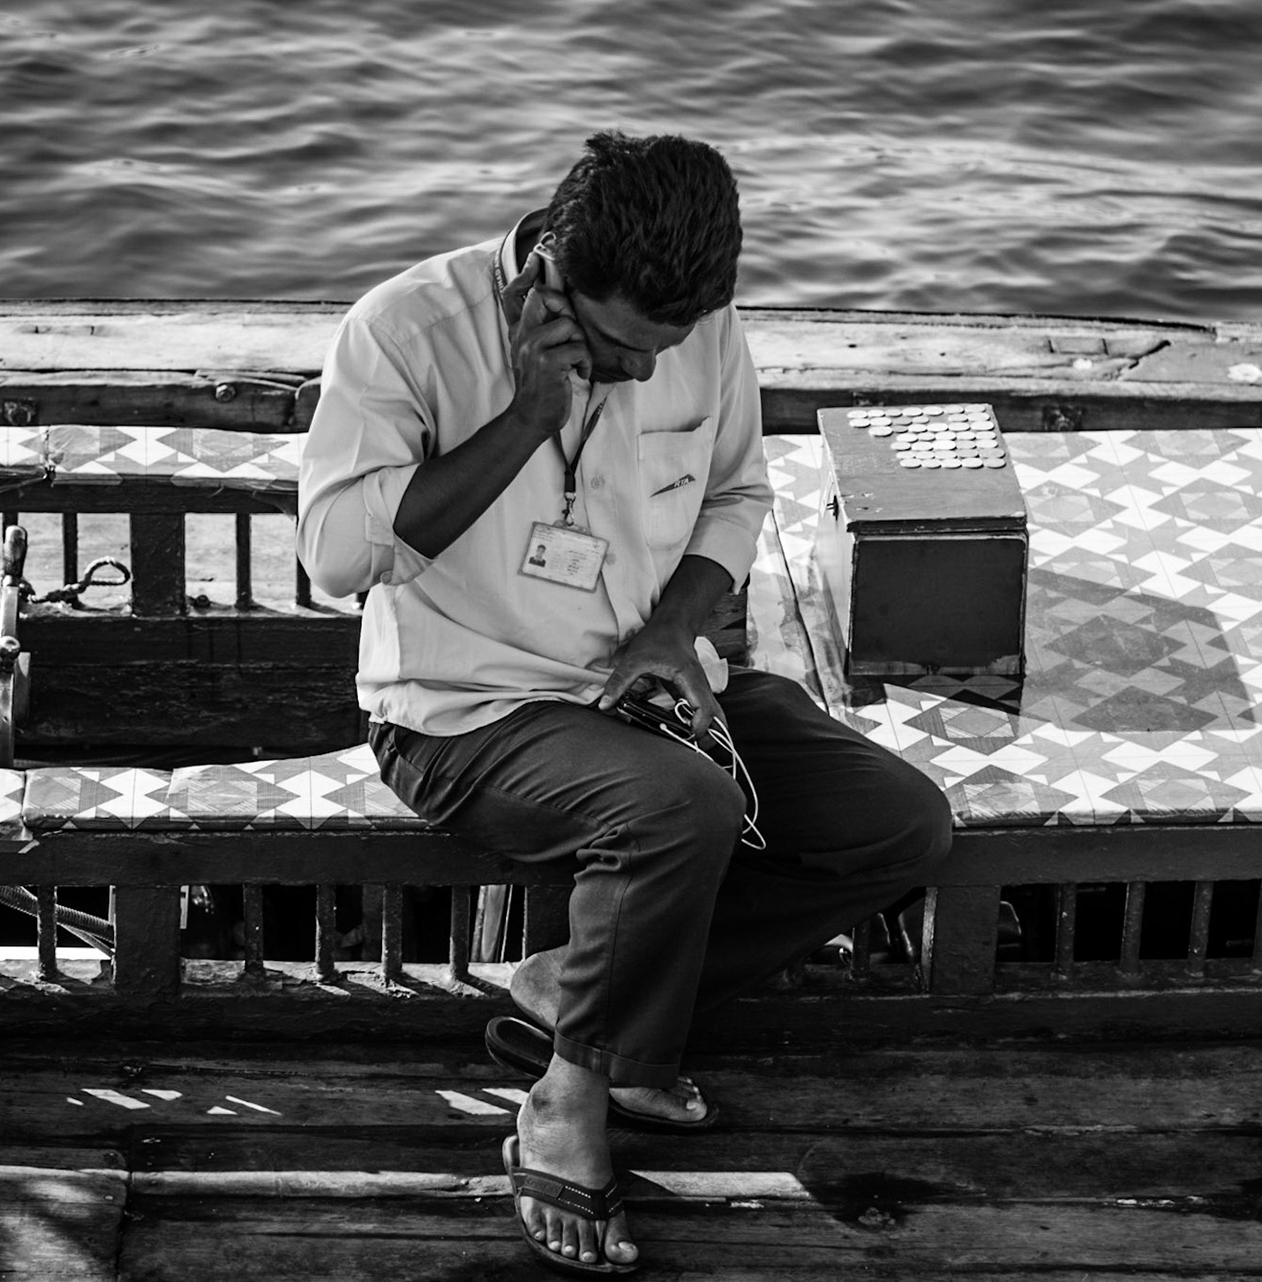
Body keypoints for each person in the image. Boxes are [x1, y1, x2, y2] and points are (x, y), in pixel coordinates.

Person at [297, 131, 952, 1276]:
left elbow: (739, 494)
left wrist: (670, 630)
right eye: (614, 346)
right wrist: (523, 418)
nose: (645, 372)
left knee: (898, 823)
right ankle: (573, 1089)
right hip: (464, 709)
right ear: (545, 270)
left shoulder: (701, 331)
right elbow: (335, 560)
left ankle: (569, 987)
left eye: (666, 348)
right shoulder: (404, 330)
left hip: (652, 683)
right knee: (679, 809)